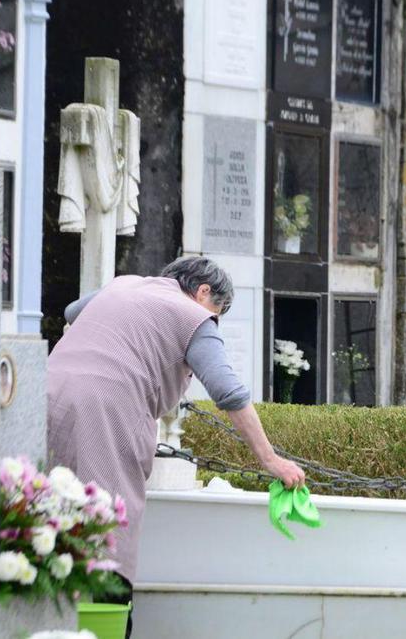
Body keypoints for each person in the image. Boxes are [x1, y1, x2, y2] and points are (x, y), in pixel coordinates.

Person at [47, 256, 304, 636]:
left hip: (47, 394)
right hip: (105, 410)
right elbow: (228, 391)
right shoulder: (194, 317)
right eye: (218, 310)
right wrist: (270, 459)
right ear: (203, 292)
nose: (215, 319)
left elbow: (72, 311)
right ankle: (106, 625)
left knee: (47, 514)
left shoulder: (123, 284)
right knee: (108, 527)